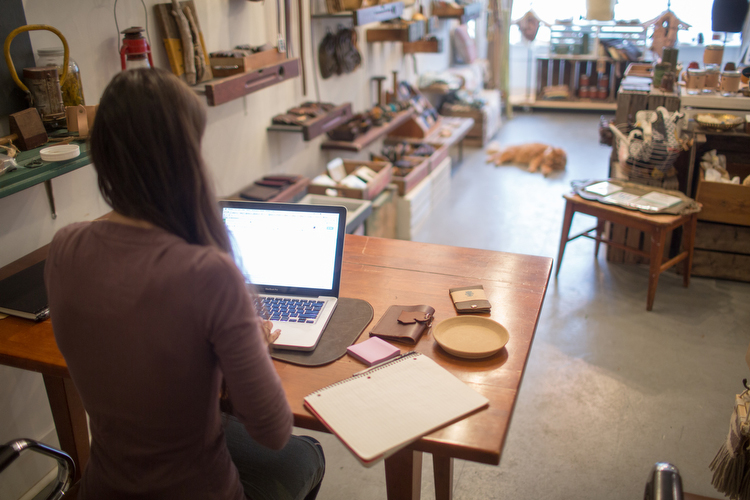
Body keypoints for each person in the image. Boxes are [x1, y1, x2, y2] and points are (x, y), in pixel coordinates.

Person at [44, 68, 325, 500]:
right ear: (186, 157)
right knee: (308, 452)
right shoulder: (208, 274)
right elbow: (272, 431)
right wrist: (253, 341)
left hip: (103, 488)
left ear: (102, 154)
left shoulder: (63, 249)